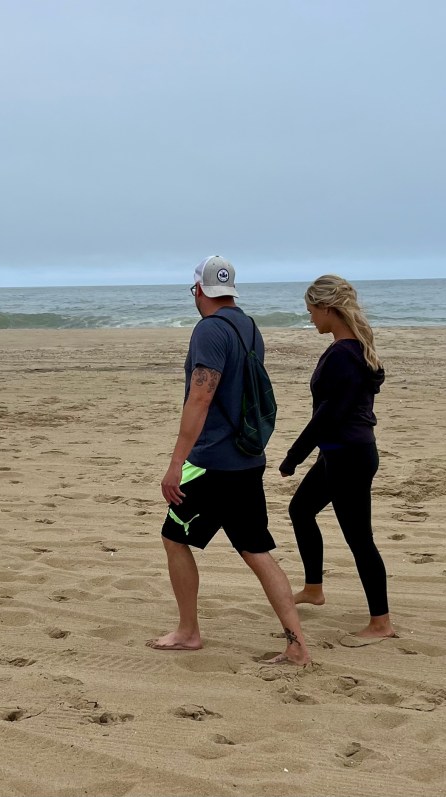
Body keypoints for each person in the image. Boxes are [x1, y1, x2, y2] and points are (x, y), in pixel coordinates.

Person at [147, 255, 312, 666]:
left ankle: (188, 632)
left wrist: (175, 463)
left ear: (199, 290)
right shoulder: (249, 327)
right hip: (247, 458)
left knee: (174, 537)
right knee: (256, 550)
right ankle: (297, 644)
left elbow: (201, 396)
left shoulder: (209, 330)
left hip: (212, 463)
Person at [279, 275, 396, 641]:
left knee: (360, 539)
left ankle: (381, 622)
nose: (310, 318)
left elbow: (328, 415)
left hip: (350, 456)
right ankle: (314, 589)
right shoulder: (351, 349)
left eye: (312, 311)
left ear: (328, 308)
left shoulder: (343, 355)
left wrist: (293, 456)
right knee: (300, 510)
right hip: (338, 453)